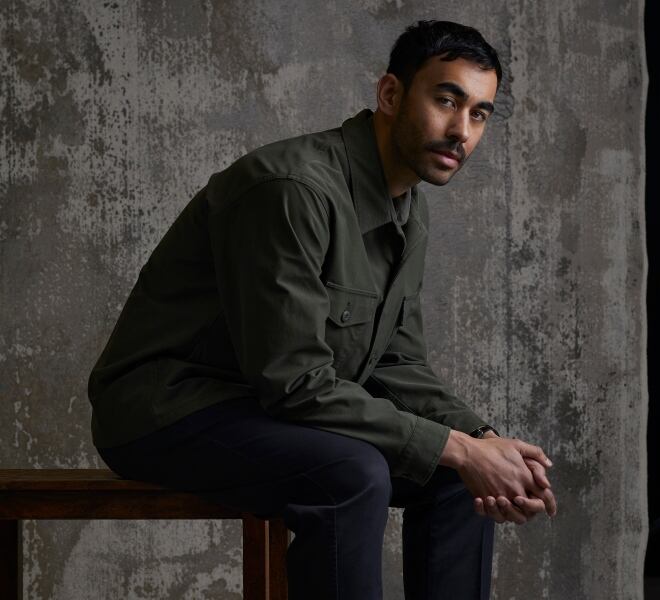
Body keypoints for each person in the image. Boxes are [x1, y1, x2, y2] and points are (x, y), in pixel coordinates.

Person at [88, 19, 557, 600]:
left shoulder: (407, 209)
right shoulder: (291, 189)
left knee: (457, 477)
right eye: (446, 100)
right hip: (168, 410)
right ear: (389, 94)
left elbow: (396, 366)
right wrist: (459, 447)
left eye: (480, 113)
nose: (461, 130)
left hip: (263, 411)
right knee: (353, 472)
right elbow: (295, 383)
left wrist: (482, 441)